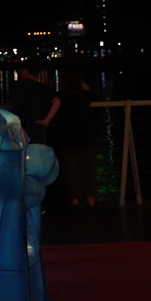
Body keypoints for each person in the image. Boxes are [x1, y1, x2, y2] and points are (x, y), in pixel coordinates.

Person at [54, 70, 98, 208]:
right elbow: (88, 91)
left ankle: (75, 201)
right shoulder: (86, 97)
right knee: (89, 170)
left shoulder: (62, 97)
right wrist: (83, 85)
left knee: (71, 171)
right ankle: (91, 200)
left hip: (68, 139)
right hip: (87, 138)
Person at [7, 60, 61, 144]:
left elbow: (11, 103)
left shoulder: (15, 87)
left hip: (18, 125)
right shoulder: (42, 87)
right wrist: (46, 120)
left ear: (25, 71)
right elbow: (57, 102)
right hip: (36, 125)